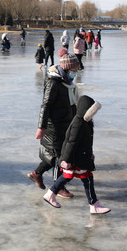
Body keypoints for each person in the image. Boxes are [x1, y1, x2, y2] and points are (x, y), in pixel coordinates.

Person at [43, 95, 111, 214]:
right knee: (85, 178)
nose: (93, 114)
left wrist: (90, 154)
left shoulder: (86, 122)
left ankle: (51, 194)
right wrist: (66, 160)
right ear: (86, 109)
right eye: (92, 110)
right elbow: (71, 142)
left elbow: (85, 142)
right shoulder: (78, 123)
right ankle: (94, 205)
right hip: (75, 158)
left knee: (72, 177)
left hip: (80, 157)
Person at [28, 53, 80, 199]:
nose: (77, 70)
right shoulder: (54, 83)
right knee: (60, 156)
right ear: (69, 68)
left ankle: (36, 174)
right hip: (54, 126)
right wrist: (41, 127)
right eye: (75, 67)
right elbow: (46, 105)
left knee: (53, 154)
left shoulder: (68, 82)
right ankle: (59, 186)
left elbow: (72, 104)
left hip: (66, 123)